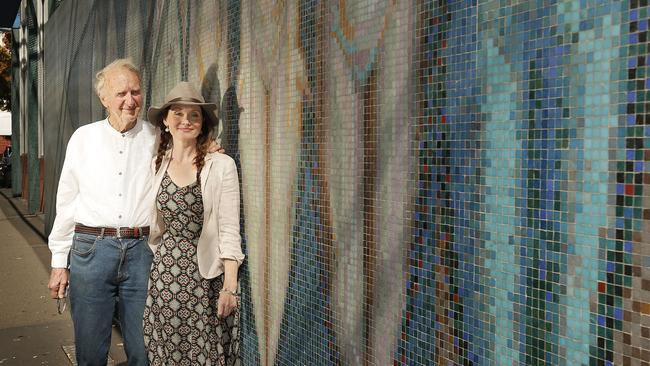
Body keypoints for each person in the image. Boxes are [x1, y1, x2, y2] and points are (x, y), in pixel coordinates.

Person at [46, 59, 223, 365]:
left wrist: (208, 148)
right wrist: (59, 262)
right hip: (90, 251)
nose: (130, 100)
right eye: (121, 93)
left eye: (136, 92)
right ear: (104, 99)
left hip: (142, 252)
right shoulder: (83, 138)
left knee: (145, 349)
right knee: (90, 351)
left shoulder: (158, 136)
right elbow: (67, 202)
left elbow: (188, 150)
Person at [143, 81, 244, 365]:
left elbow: (229, 228)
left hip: (205, 278)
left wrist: (229, 285)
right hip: (164, 277)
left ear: (203, 123)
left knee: (205, 354)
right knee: (165, 352)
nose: (185, 120)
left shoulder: (220, 165)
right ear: (165, 121)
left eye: (194, 115)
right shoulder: (157, 164)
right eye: (177, 113)